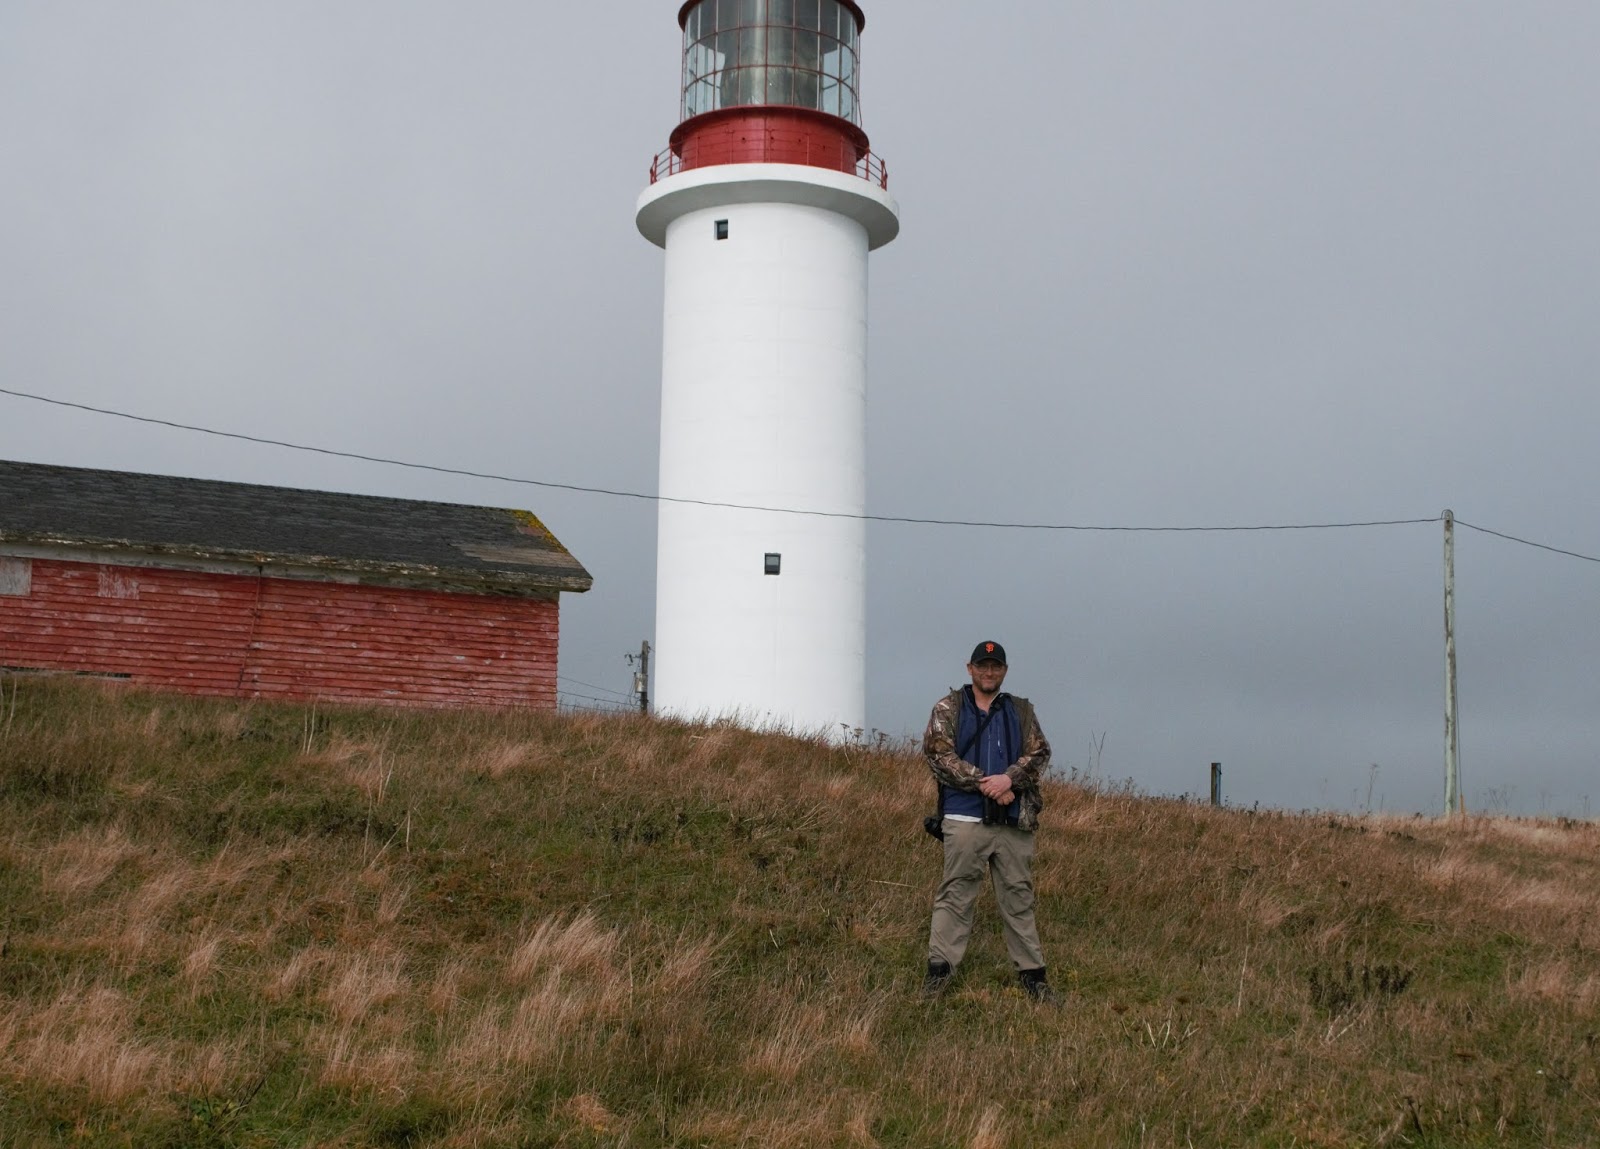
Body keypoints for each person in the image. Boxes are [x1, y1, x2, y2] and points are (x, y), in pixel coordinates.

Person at [921, 640, 1057, 1003]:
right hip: (964, 816)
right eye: (982, 665)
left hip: (1013, 822)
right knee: (956, 894)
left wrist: (1008, 780)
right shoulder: (948, 707)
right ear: (970, 668)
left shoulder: (1021, 710)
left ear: (1005, 671)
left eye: (995, 666)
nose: (989, 672)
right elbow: (938, 754)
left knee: (1019, 897)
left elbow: (1039, 752)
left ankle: (1034, 978)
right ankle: (939, 975)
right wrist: (988, 784)